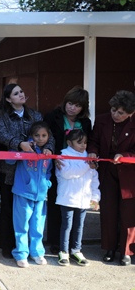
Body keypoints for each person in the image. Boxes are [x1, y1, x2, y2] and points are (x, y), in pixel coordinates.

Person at [0, 83, 54, 259]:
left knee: (33, 213)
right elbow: (1, 135)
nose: (21, 94)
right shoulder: (1, 116)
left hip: (32, 171)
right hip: (9, 168)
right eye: (16, 93)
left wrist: (48, 148)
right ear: (7, 98)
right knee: (8, 207)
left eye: (21, 91)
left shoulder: (34, 114)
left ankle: (31, 248)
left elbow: (47, 135)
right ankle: (8, 245)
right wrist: (19, 144)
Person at [87, 90, 135, 266]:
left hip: (130, 175)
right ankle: (109, 248)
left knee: (128, 213)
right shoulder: (102, 120)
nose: (115, 114)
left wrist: (125, 155)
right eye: (113, 110)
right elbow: (94, 141)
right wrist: (93, 151)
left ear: (131, 113)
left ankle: (126, 251)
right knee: (108, 211)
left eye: (121, 113)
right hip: (107, 173)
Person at [43, 86, 92, 254]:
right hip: (58, 164)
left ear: (83, 108)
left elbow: (89, 143)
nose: (72, 108)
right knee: (57, 202)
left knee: (75, 205)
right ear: (65, 102)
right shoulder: (52, 116)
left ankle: (73, 244)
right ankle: (56, 242)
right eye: (70, 103)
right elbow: (46, 138)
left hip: (78, 167)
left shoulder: (85, 122)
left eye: (77, 105)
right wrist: (54, 157)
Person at [6, 122, 53, 268]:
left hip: (41, 196)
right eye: (37, 135)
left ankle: (37, 252)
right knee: (21, 225)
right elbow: (9, 159)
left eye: (43, 135)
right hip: (23, 192)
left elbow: (49, 172)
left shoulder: (48, 153)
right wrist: (23, 148)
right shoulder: (26, 149)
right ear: (31, 136)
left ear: (48, 137)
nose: (40, 138)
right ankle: (21, 253)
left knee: (38, 225)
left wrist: (47, 184)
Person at [56, 129, 100, 267]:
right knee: (67, 225)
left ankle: (76, 250)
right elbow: (68, 173)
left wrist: (95, 197)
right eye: (79, 143)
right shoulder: (63, 155)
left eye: (85, 143)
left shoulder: (89, 157)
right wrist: (86, 164)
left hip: (84, 200)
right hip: (68, 198)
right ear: (69, 142)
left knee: (79, 226)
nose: (83, 146)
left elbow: (94, 180)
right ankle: (63, 251)